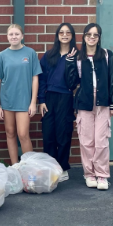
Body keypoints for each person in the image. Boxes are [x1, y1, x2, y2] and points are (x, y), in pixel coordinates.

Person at [65, 23, 113, 190]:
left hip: (103, 102)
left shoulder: (107, 55)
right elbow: (71, 83)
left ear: (99, 37)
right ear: (84, 37)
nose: (92, 38)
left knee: (101, 141)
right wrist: (69, 64)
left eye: (95, 35)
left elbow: (112, 78)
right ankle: (89, 174)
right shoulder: (78, 56)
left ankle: (102, 175)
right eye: (89, 35)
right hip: (84, 102)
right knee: (86, 141)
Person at [0, 24, 42, 164]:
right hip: (7, 101)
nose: (14, 37)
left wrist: (33, 102)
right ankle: (15, 167)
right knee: (10, 133)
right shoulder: (2, 56)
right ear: (7, 37)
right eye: (11, 34)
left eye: (16, 34)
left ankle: (29, 168)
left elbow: (35, 78)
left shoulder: (30, 53)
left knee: (23, 134)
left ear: (22, 36)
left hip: (24, 102)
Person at [38, 23, 77, 173]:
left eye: (68, 32)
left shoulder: (77, 56)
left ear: (72, 36)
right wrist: (41, 100)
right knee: (48, 134)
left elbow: (74, 82)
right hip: (49, 98)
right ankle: (50, 169)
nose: (65, 35)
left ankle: (62, 168)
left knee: (63, 134)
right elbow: (41, 79)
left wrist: (70, 62)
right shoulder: (49, 55)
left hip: (66, 98)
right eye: (61, 32)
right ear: (57, 35)